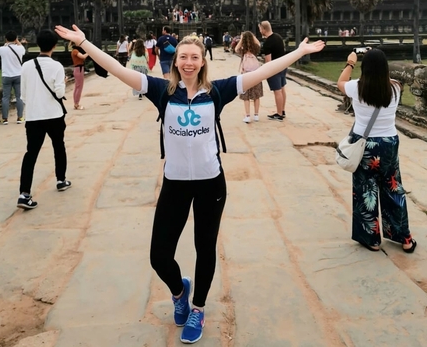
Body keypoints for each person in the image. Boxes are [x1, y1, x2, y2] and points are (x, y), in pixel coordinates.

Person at [54, 22, 325, 344]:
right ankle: (180, 291)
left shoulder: (218, 91)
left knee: (204, 248)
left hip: (211, 183)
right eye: (183, 57)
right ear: (176, 60)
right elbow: (116, 68)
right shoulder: (161, 91)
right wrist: (84, 40)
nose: (188, 62)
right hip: (176, 183)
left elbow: (264, 73)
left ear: (202, 62)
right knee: (159, 256)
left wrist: (299, 51)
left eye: (194, 57)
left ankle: (198, 308)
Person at [337, 48, 416, 253]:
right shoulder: (396, 88)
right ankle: (404, 237)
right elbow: (385, 81)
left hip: (365, 145)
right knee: (393, 188)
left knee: (365, 190)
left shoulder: (357, 87)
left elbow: (340, 83)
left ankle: (371, 238)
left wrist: (350, 63)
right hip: (389, 142)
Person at [17, 30, 71, 210]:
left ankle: (24, 193)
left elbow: (23, 95)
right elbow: (60, 93)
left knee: (30, 153)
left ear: (38, 44)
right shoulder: (56, 66)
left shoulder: (26, 66)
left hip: (33, 116)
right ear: (54, 46)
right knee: (58, 146)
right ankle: (61, 179)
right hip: (54, 115)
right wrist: (63, 81)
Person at [259, 21, 287, 122]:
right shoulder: (278, 37)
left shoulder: (268, 43)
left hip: (275, 68)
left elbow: (268, 61)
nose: (260, 31)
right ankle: (282, 110)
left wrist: (265, 71)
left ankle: (279, 114)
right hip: (283, 65)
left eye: (260, 29)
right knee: (282, 88)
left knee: (277, 91)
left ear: (264, 29)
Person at [0, 31, 25, 125]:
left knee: (5, 97)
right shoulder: (20, 48)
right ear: (16, 38)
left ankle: (5, 119)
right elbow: (22, 49)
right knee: (19, 97)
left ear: (6, 39)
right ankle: (20, 117)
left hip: (6, 75)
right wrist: (17, 42)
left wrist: (6, 44)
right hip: (18, 75)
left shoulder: (2, 49)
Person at [235, 31, 262, 123]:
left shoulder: (243, 50)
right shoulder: (255, 49)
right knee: (256, 95)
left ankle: (247, 115)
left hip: (246, 74)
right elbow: (259, 44)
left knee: (246, 96)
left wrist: (242, 38)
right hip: (256, 73)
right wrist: (253, 36)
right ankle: (256, 115)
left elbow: (236, 49)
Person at [70, 41, 89, 110]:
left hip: (78, 69)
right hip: (79, 69)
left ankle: (76, 103)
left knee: (77, 87)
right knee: (79, 87)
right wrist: (89, 52)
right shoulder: (75, 51)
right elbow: (83, 57)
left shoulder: (74, 51)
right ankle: (76, 103)